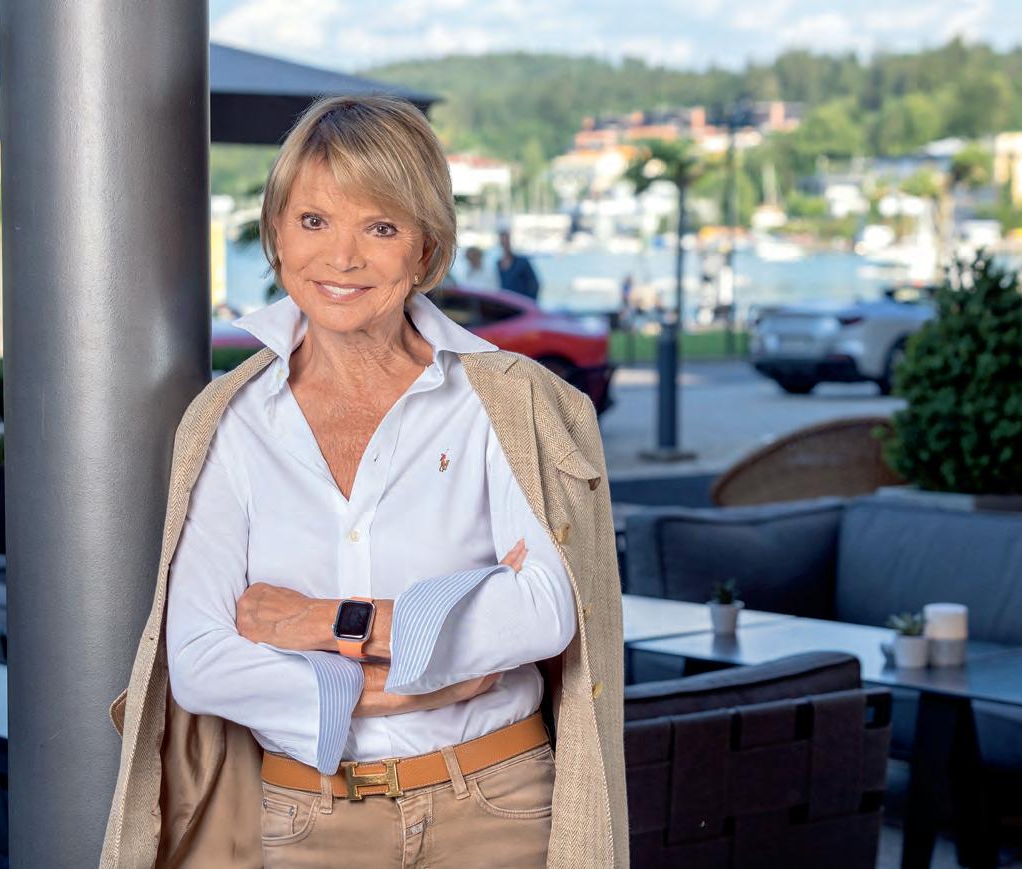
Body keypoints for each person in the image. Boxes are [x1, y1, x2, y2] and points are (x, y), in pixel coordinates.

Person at [101, 95, 628, 868]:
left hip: (499, 807)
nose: (341, 257)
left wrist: (318, 621)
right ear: (276, 234)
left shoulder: (502, 402)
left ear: (424, 249)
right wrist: (434, 678)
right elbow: (202, 661)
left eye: (380, 227)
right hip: (304, 822)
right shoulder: (231, 421)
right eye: (313, 220)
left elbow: (544, 611)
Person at [496, 228, 540, 300]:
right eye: (503, 242)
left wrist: (527, 301)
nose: (505, 245)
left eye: (507, 241)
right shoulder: (497, 264)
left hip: (520, 303)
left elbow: (534, 284)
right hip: (504, 303)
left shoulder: (522, 262)